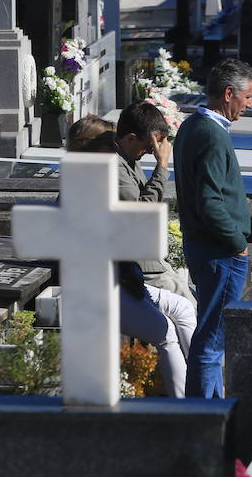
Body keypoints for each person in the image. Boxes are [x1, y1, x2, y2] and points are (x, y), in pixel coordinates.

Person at [66, 114, 197, 397]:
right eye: (108, 142)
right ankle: (190, 404)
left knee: (182, 311)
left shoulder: (104, 173)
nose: (114, 147)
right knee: (167, 332)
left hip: (122, 277)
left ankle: (204, 390)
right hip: (103, 286)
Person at [173, 57, 252, 398]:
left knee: (211, 335)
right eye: (247, 97)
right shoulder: (212, 136)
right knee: (213, 338)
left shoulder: (192, 126)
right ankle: (204, 416)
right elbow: (210, 202)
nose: (250, 104)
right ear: (228, 94)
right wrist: (237, 243)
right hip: (220, 251)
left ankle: (211, 406)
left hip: (204, 246)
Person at [116, 101, 193, 300]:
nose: (152, 152)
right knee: (187, 304)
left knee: (190, 298)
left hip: (146, 257)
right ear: (131, 138)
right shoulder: (115, 166)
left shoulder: (129, 158)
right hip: (134, 262)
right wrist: (162, 166)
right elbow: (141, 212)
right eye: (150, 147)